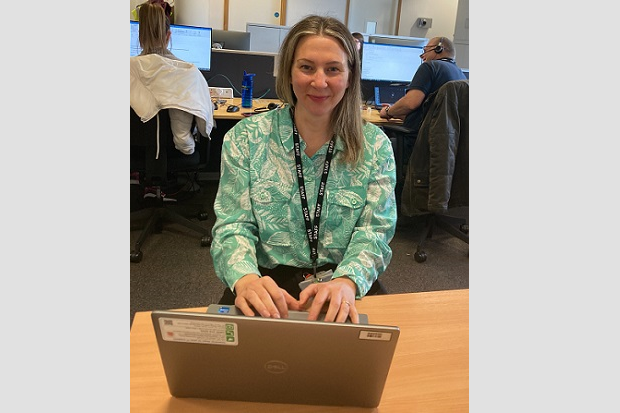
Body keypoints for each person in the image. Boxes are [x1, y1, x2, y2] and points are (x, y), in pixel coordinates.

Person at [210, 15, 397, 324]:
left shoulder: (374, 146)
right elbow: (233, 225)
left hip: (344, 283)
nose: (319, 82)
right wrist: (245, 279)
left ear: (350, 76)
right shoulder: (245, 138)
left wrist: (348, 281)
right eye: (307, 67)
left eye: (333, 69)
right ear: (289, 72)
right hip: (266, 285)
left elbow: (375, 230)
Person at [378, 36, 466, 204]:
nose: (423, 56)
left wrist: (388, 111)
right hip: (443, 146)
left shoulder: (430, 67)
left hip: (418, 141)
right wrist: (400, 111)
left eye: (425, 51)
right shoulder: (460, 74)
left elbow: (411, 102)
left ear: (439, 50)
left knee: (379, 135)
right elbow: (433, 111)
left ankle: (387, 203)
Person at [130, 1, 213, 158]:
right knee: (181, 101)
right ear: (168, 36)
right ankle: (182, 138)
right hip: (177, 154)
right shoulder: (188, 72)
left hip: (132, 153)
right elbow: (204, 117)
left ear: (140, 36)